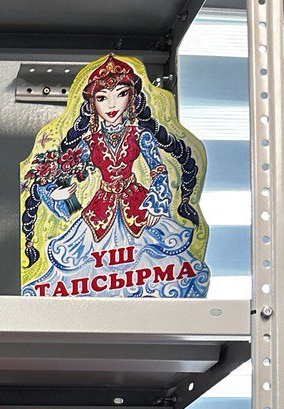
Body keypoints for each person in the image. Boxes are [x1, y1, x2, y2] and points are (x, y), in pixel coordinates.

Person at [21, 55, 208, 298]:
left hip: (138, 205)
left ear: (132, 97)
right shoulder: (89, 143)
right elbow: (60, 170)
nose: (111, 104)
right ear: (92, 104)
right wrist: (53, 191)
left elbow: (158, 170)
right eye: (102, 98)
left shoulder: (140, 135)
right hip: (101, 209)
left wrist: (155, 203)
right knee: (84, 269)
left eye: (120, 94)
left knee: (155, 262)